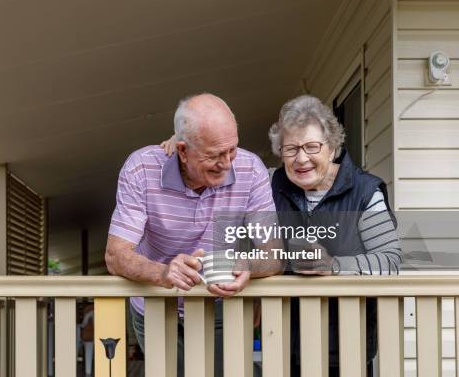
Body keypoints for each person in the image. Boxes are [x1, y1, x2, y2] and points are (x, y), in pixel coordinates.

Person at [161, 95, 401, 376]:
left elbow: (390, 262)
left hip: (345, 347)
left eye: (312, 147)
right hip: (280, 343)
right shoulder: (268, 183)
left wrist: (334, 266)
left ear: (333, 146)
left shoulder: (364, 192)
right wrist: (185, 147)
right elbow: (219, 155)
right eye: (290, 149)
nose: (301, 158)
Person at [106, 93, 283, 376]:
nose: (226, 164)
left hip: (220, 304)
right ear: (182, 150)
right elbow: (115, 256)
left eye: (232, 150)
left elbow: (274, 255)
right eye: (213, 155)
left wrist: (245, 265)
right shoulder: (141, 168)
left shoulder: (251, 169)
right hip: (153, 303)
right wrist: (164, 274)